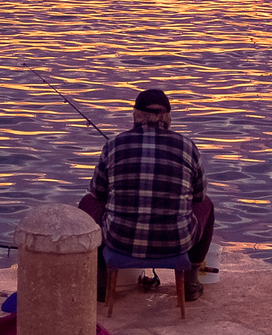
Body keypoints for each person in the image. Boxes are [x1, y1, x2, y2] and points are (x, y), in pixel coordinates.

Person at [81, 88, 214, 301]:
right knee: (207, 205)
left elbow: (98, 192)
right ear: (167, 117)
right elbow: (199, 196)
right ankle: (190, 281)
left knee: (87, 203)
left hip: (119, 240)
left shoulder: (113, 146)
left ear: (136, 114)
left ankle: (101, 282)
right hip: (177, 242)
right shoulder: (188, 147)